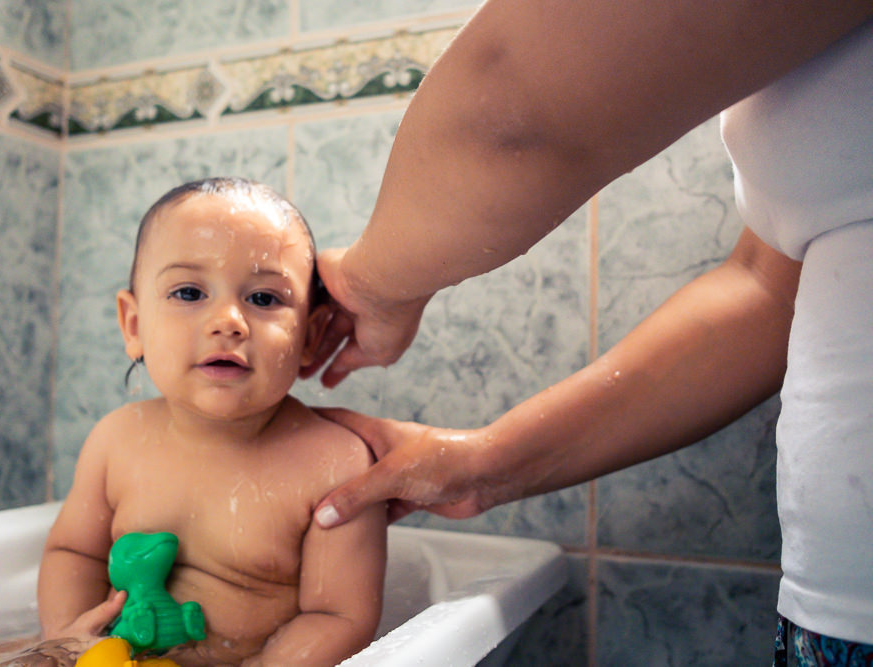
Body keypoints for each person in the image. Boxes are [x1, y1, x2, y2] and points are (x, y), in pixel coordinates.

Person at [301, 0, 873, 660]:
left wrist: (372, 281)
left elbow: (512, 108)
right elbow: (769, 289)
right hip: (831, 618)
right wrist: (480, 462)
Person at [38, 177, 387, 667]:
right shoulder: (116, 441)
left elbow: (339, 617)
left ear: (310, 337)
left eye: (264, 299)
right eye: (188, 292)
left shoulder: (336, 462)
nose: (229, 321)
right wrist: (68, 640)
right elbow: (74, 554)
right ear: (133, 325)